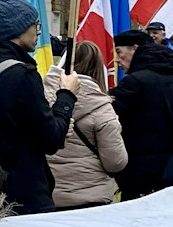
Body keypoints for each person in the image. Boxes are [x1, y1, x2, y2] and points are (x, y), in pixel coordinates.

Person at [0, 0, 80, 214]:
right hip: (22, 194)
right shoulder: (22, 75)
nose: (39, 31)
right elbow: (51, 139)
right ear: (18, 28)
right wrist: (66, 96)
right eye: (35, 24)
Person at [112, 28, 173, 200]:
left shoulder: (134, 81)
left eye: (120, 53)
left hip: (140, 173)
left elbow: (110, 118)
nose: (117, 59)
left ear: (135, 49)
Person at [43, 40, 128, 208]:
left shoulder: (40, 98)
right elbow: (115, 162)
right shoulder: (102, 109)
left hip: (47, 195)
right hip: (91, 198)